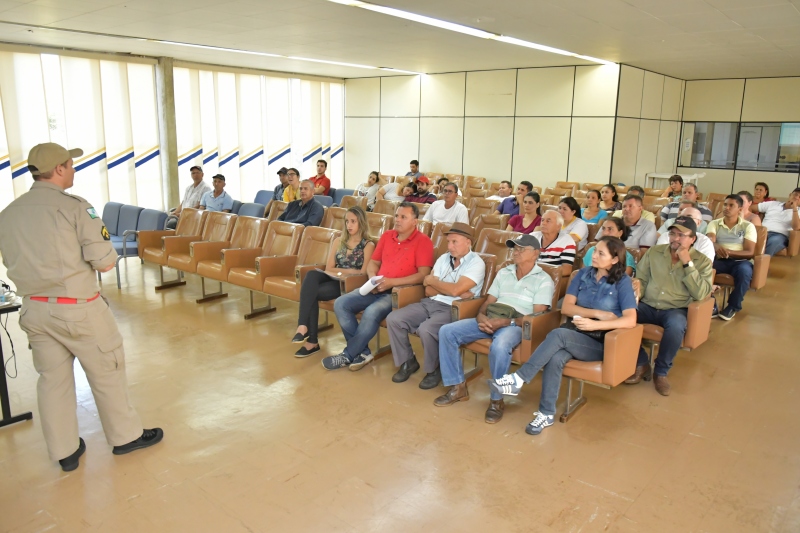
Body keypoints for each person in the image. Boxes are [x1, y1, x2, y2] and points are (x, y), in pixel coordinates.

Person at [0, 143, 163, 472]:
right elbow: (104, 261)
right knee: (107, 370)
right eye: (71, 165)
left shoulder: (9, 214)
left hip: (34, 310)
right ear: (59, 169)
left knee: (53, 380)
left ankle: (65, 450)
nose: (74, 170)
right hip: (77, 308)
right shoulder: (77, 208)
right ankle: (125, 436)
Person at [489, 236, 637, 434]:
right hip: (575, 332)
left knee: (558, 335)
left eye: (601, 253)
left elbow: (630, 320)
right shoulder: (582, 274)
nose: (594, 255)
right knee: (556, 357)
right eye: (595, 251)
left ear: (615, 259)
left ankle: (519, 379)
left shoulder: (623, 282)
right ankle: (546, 413)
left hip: (600, 341)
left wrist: (596, 325)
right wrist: (597, 314)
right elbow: (567, 307)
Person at [434, 234, 554, 423]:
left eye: (522, 249)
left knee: (499, 346)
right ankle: (458, 388)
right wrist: (481, 316)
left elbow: (536, 317)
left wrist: (505, 323)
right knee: (447, 331)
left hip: (515, 324)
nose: (516, 252)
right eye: (515, 248)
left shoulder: (543, 279)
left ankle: (497, 400)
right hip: (492, 317)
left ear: (536, 254)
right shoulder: (505, 272)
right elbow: (489, 301)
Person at [323, 203, 434, 370]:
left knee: (371, 311)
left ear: (415, 221)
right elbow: (373, 263)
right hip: (376, 286)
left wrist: (391, 282)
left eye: (403, 217)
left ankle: (347, 355)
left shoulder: (423, 241)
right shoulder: (387, 236)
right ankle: (363, 352)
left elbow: (423, 274)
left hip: (399, 292)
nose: (397, 220)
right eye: (396, 216)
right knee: (341, 303)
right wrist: (373, 278)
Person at [387, 223, 485, 389]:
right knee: (394, 319)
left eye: (455, 242)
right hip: (431, 302)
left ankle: (434, 370)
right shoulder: (443, 258)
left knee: (427, 329)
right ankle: (408, 361)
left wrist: (443, 286)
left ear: (468, 242)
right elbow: (429, 289)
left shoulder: (477, 263)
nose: (450, 246)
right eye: (448, 242)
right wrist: (453, 289)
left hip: (455, 308)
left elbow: (451, 290)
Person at [625, 216, 713, 396]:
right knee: (620, 314)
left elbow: (701, 293)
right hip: (648, 304)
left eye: (682, 235)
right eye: (673, 234)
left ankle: (661, 372)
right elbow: (640, 279)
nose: (675, 239)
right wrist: (634, 298)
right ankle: (641, 363)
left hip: (675, 309)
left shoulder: (702, 262)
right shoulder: (654, 252)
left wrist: (688, 263)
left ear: (692, 239)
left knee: (676, 327)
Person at [292, 207, 375, 357]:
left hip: (348, 284)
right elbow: (329, 267)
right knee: (311, 274)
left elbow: (362, 273)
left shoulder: (368, 245)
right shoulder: (339, 240)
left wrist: (340, 271)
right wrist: (339, 271)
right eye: (347, 221)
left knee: (312, 294)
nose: (349, 225)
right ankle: (302, 325)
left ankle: (312, 341)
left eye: (353, 221)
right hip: (332, 278)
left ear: (361, 223)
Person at [706, 195, 756, 321]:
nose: (726, 208)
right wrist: (716, 246)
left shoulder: (747, 226)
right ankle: (710, 303)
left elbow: (750, 252)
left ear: (739, 209)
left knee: (744, 273)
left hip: (741, 261)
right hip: (720, 260)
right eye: (725, 204)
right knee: (703, 268)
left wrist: (728, 252)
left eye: (731, 205)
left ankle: (733, 306)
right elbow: (710, 240)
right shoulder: (714, 223)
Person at [756, 188, 800, 256]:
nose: (797, 197)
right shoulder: (773, 204)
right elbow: (751, 208)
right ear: (790, 195)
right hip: (763, 232)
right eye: (796, 195)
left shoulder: (798, 212)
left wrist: (794, 209)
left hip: (780, 236)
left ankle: (758, 263)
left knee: (774, 241)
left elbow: (796, 227)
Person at [165, 165, 211, 229]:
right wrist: (175, 212)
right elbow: (183, 203)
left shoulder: (206, 188)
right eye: (193, 173)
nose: (195, 175)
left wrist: (182, 214)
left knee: (171, 224)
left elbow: (199, 206)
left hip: (193, 216)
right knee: (165, 220)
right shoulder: (188, 188)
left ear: (202, 174)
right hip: (183, 214)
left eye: (197, 173)